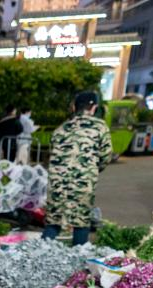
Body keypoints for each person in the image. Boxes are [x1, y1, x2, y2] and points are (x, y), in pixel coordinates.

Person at [42, 91, 112, 245]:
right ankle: (78, 259)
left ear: (74, 107)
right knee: (81, 222)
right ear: (94, 108)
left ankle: (37, 255)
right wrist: (90, 170)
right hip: (83, 182)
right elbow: (106, 156)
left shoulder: (61, 128)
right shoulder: (100, 127)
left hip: (57, 183)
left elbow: (51, 154)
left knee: (54, 221)